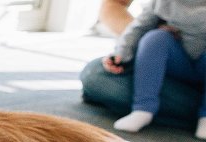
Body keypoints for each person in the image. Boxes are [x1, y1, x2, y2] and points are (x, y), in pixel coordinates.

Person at [80, 0, 204, 133]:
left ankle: (201, 116)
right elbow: (138, 26)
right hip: (172, 65)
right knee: (96, 74)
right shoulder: (162, 3)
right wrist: (121, 55)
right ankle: (143, 109)